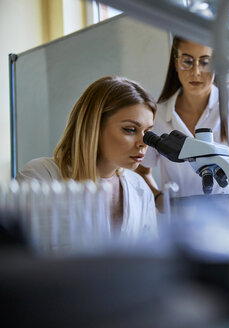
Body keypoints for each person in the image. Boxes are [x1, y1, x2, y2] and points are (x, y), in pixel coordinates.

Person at [16, 76, 158, 239]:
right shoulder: (40, 177)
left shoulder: (140, 189)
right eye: (130, 129)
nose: (143, 143)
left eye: (147, 132)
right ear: (94, 126)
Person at [136, 36, 229, 205]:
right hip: (179, 221)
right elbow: (142, 172)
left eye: (205, 62)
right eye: (187, 61)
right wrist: (160, 200)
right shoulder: (157, 115)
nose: (196, 71)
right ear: (176, 63)